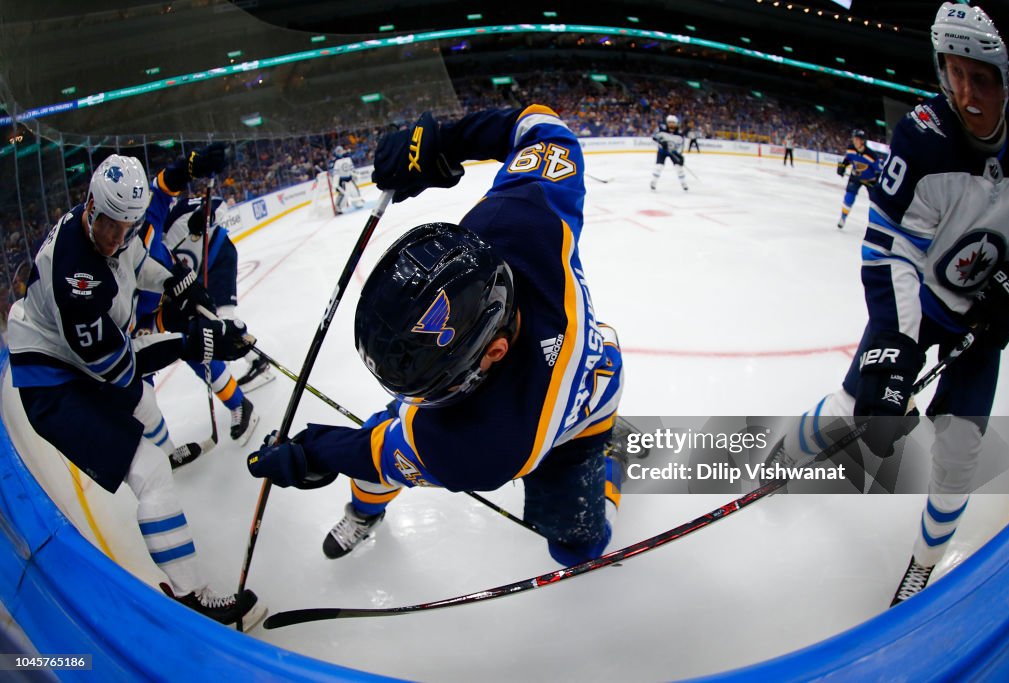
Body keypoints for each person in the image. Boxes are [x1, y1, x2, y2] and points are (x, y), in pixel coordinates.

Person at [247, 104, 626, 567]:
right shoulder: (522, 220)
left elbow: (377, 455)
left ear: (494, 351)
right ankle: (365, 512)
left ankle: (610, 462)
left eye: (434, 388)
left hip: (583, 413)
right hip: (550, 361)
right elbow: (544, 130)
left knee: (577, 547)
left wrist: (309, 454)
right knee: (385, 431)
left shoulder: (489, 445)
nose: (423, 401)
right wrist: (443, 141)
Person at [768, 2, 1009, 607]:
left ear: (1003, 79)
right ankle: (782, 460)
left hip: (978, 325)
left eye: (979, 77)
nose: (965, 92)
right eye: (953, 74)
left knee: (959, 456)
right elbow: (890, 247)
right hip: (920, 304)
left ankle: (923, 566)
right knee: (854, 404)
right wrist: (897, 348)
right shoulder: (922, 137)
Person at [6, 154, 265, 628]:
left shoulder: (115, 228)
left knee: (145, 407)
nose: (115, 237)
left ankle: (169, 451)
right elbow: (120, 369)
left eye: (126, 226)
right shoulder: (75, 279)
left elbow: (137, 262)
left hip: (74, 361)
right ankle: (191, 594)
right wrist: (195, 341)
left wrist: (177, 283)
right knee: (148, 472)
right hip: (52, 383)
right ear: (89, 206)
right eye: (108, 225)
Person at [136, 146, 260, 464]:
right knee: (140, 382)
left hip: (178, 294)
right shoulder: (110, 285)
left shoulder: (141, 226)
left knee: (201, 345)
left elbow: (161, 187)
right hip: (144, 319)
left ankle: (238, 402)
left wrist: (190, 167)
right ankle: (162, 453)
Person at [835, 128, 884, 229]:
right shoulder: (851, 148)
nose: (855, 141)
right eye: (854, 139)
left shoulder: (871, 155)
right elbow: (848, 159)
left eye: (857, 139)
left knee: (875, 202)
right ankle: (843, 218)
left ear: (862, 141)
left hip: (870, 180)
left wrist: (877, 182)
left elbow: (879, 171)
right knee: (849, 196)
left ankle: (876, 224)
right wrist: (843, 166)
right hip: (855, 177)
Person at [651, 114, 688, 192]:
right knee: (659, 167)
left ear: (676, 123)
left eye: (673, 122)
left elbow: (681, 146)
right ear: (667, 123)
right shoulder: (661, 130)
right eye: (670, 122)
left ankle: (684, 184)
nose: (671, 124)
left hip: (673, 152)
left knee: (679, 168)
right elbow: (654, 138)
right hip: (662, 152)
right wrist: (661, 143)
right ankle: (653, 182)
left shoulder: (680, 134)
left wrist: (679, 156)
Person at [330, 146, 365, 213]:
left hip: (349, 178)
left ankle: (357, 201)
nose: (340, 152)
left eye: (340, 151)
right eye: (338, 151)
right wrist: (335, 182)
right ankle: (338, 207)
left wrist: (355, 174)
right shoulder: (335, 162)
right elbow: (335, 173)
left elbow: (351, 168)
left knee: (355, 191)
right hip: (342, 181)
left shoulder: (348, 158)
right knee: (342, 194)